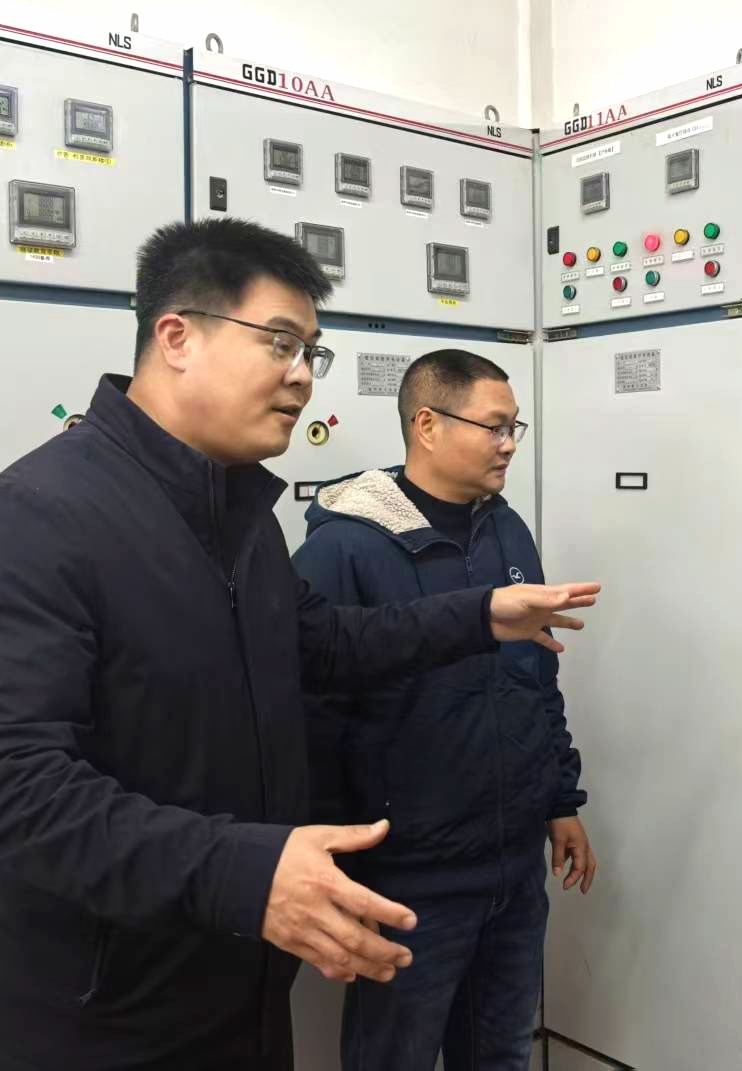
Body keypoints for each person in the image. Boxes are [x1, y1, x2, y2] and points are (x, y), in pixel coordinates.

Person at [0, 219, 600, 1071]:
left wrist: (482, 614)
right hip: (102, 1017)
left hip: (237, 984)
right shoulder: (38, 516)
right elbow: (4, 789)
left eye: (312, 350)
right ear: (177, 336)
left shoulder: (237, 519)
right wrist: (244, 872)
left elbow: (327, 642)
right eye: (280, 342)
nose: (303, 374)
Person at [294, 349, 593, 1070]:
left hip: (512, 866)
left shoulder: (506, 529)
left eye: (515, 426)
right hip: (408, 876)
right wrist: (337, 863)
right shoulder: (345, 548)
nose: (510, 443)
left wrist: (559, 800)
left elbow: (536, 678)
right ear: (427, 425)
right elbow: (310, 720)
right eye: (495, 426)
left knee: (501, 1053)